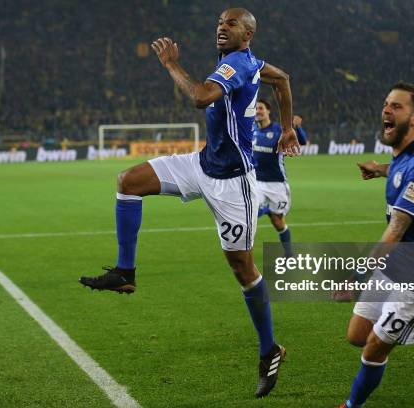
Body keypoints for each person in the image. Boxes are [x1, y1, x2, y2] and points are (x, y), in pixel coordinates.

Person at [79, 8, 300, 398]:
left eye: (230, 24)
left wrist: (171, 64)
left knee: (242, 268)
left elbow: (200, 97)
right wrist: (286, 129)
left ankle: (269, 349)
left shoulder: (235, 63)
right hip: (201, 164)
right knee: (128, 182)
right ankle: (125, 271)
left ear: (246, 34)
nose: (221, 27)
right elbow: (281, 78)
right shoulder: (249, 63)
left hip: (235, 185)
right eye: (219, 22)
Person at [335, 82, 414, 408]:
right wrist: (380, 170)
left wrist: (357, 276)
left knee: (375, 345)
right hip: (395, 266)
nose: (387, 110)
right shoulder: (406, 157)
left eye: (397, 106)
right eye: (386, 104)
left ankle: (351, 405)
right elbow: (402, 170)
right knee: (357, 336)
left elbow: (395, 231)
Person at [252, 98, 307, 257]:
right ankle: (264, 208)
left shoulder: (279, 130)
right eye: (256, 109)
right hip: (257, 182)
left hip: (277, 184)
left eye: (261, 108)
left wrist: (297, 127)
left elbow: (301, 141)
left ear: (268, 111)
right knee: (250, 211)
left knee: (277, 221)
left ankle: (289, 253)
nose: (257, 111)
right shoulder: (253, 130)